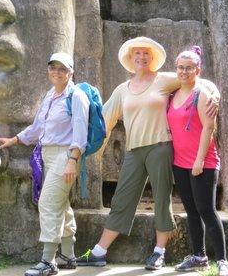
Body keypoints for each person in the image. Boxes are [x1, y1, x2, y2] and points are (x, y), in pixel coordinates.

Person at [76, 36, 219, 271]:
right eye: (137, 54)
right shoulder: (123, 89)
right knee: (121, 198)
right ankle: (99, 252)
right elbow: (104, 119)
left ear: (152, 58)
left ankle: (159, 252)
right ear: (130, 59)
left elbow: (198, 81)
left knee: (162, 199)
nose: (141, 57)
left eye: (146, 54)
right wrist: (84, 145)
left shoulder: (163, 80)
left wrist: (216, 95)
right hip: (134, 151)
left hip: (160, 147)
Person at [0, 52, 89, 276]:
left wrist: (73, 161)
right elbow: (37, 128)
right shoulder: (50, 95)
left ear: (71, 72)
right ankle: (68, 255)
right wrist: (13, 140)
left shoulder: (76, 97)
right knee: (60, 203)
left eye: (62, 69)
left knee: (48, 203)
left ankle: (48, 262)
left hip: (67, 155)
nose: (56, 72)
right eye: (52, 67)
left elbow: (80, 134)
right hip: (48, 155)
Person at [168, 46, 228, 276]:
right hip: (180, 163)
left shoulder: (202, 93)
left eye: (189, 68)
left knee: (206, 210)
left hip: (202, 163)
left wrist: (199, 160)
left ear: (198, 70)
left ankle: (223, 261)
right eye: (180, 68)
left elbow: (209, 128)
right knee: (191, 211)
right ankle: (198, 256)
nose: (184, 72)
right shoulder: (174, 93)